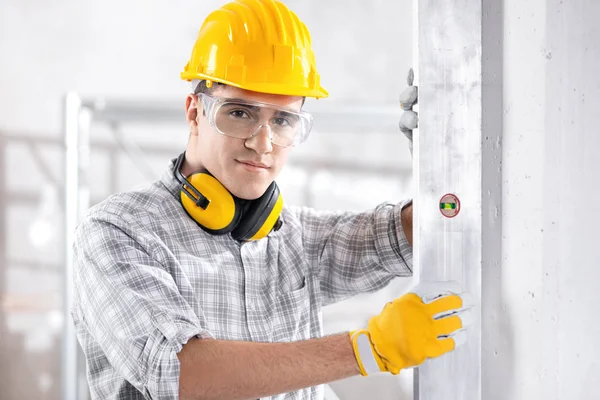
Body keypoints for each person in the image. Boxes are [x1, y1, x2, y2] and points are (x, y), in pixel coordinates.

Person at [71, 0, 474, 399]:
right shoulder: (117, 232)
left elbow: (415, 231)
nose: (262, 143)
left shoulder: (293, 237)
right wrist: (368, 349)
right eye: (240, 113)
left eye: (282, 120)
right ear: (195, 113)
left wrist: (440, 160)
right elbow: (179, 373)